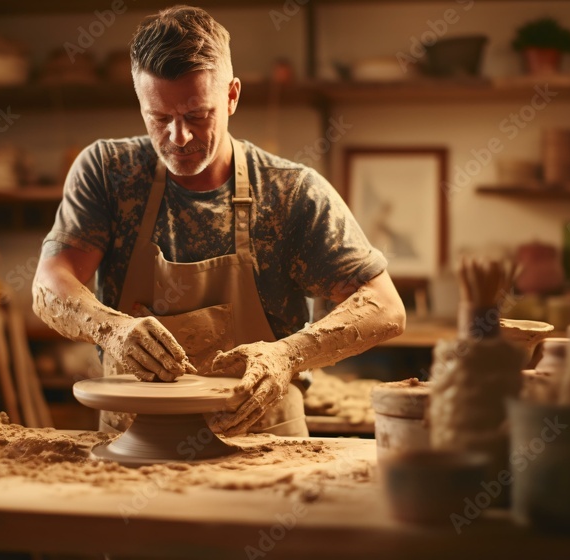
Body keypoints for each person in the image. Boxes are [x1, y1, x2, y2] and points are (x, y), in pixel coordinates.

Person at [32, 5, 406, 437]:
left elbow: (385, 307)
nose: (179, 137)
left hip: (262, 438)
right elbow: (48, 283)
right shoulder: (108, 171)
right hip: (135, 440)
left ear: (231, 96)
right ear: (140, 102)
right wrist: (112, 329)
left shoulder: (291, 191)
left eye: (196, 115)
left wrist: (286, 355)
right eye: (159, 118)